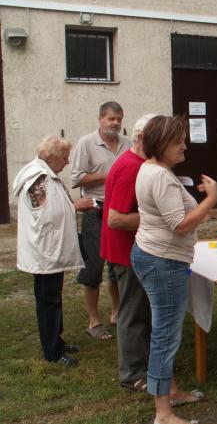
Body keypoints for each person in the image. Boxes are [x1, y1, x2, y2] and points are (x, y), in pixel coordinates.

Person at [131, 115, 217, 424]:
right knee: (166, 336)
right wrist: (212, 199)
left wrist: (198, 211)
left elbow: (180, 215)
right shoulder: (160, 176)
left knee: (164, 331)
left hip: (153, 256)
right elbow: (180, 225)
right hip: (163, 262)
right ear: (162, 144)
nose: (184, 145)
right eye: (178, 140)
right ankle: (163, 414)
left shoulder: (152, 169)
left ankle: (171, 392)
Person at [13, 136, 94, 366]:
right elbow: (45, 215)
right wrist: (75, 206)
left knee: (53, 297)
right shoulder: (37, 179)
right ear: (53, 157)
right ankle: (52, 350)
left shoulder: (45, 175)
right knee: (48, 300)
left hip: (49, 249)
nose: (67, 162)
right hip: (45, 251)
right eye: (66, 157)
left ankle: (55, 340)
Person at [100, 114, 155, 391]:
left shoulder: (138, 163)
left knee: (139, 310)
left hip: (132, 251)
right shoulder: (131, 167)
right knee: (132, 312)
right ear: (143, 138)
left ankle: (142, 365)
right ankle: (133, 373)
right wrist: (159, 216)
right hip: (127, 253)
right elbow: (115, 219)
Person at [71, 101, 132, 341]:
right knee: (93, 266)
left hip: (121, 212)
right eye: (110, 119)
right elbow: (75, 179)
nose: (115, 123)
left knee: (118, 266)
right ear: (100, 119)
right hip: (96, 211)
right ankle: (94, 320)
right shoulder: (86, 143)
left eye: (118, 119)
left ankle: (116, 311)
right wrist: (110, 174)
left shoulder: (127, 144)